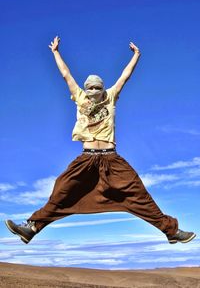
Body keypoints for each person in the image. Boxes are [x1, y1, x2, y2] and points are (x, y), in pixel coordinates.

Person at [5, 36, 196, 245]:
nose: (94, 91)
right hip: (86, 159)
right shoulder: (79, 98)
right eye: (90, 87)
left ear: (103, 88)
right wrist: (55, 52)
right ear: (85, 89)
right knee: (62, 191)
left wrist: (136, 56)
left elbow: (125, 76)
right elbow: (66, 75)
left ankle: (171, 231)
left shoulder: (111, 97)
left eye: (97, 87)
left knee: (138, 194)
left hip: (112, 159)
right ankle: (32, 228)